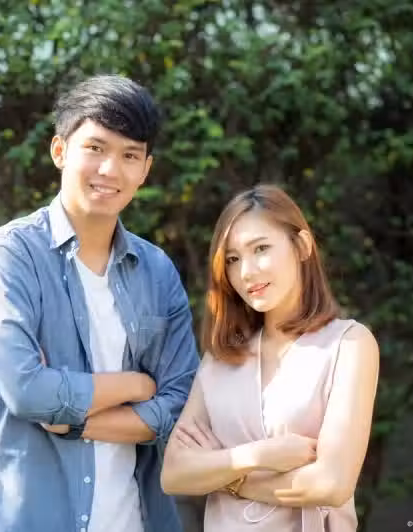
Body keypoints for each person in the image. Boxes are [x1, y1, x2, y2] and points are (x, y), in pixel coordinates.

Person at [0, 75, 200, 532]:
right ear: (60, 151)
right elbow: (28, 392)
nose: (110, 169)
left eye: (129, 155)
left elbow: (180, 405)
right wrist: (135, 384)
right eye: (95, 148)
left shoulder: (157, 271)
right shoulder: (10, 253)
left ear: (145, 169)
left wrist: (72, 421)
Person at [161, 184, 380, 532]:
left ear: (302, 246)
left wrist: (226, 478)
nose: (246, 272)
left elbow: (331, 484)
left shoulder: (349, 344)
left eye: (260, 248)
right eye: (232, 259)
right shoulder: (220, 359)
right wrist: (257, 457)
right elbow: (174, 474)